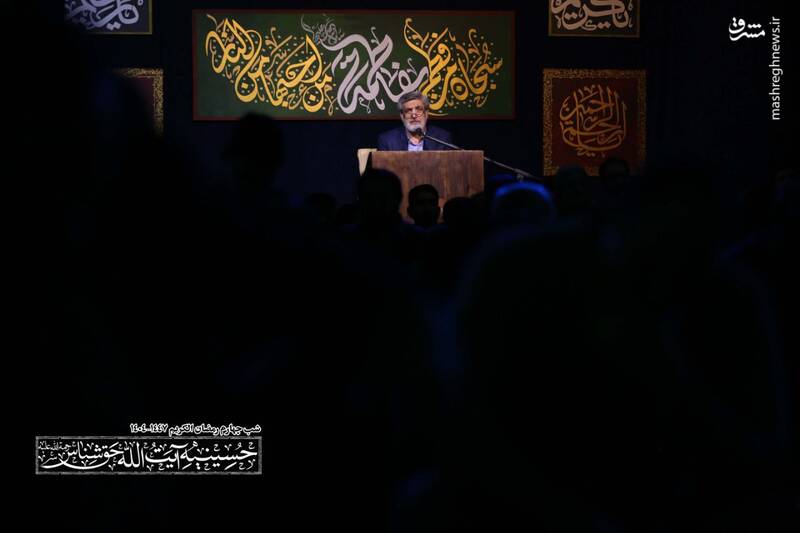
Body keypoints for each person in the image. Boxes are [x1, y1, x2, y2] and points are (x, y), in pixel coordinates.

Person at [377, 91, 454, 151]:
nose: (414, 115)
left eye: (419, 109)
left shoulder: (442, 139)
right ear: (402, 116)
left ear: (426, 113)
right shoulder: (387, 140)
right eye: (408, 110)